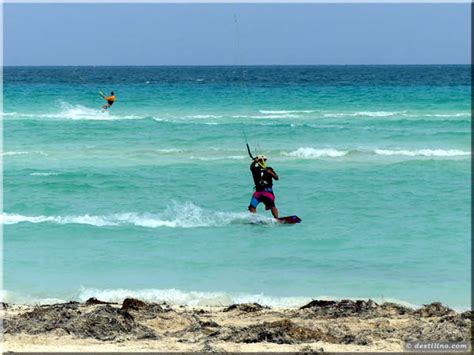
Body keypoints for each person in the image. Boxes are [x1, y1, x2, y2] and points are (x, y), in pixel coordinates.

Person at [248, 154, 279, 219]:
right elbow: (251, 167)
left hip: (268, 192)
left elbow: (277, 178)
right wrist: (255, 161)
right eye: (260, 160)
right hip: (258, 192)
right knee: (252, 206)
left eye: (264, 160)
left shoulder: (269, 169)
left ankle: (277, 218)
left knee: (272, 206)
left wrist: (271, 173)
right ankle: (253, 219)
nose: (262, 161)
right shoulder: (255, 169)